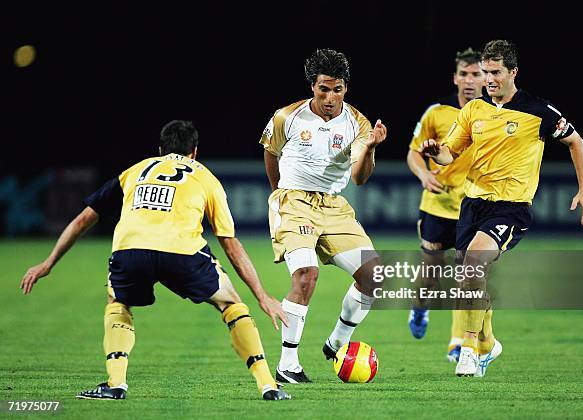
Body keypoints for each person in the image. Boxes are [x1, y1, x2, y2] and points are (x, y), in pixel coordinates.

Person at [20, 120, 291, 400]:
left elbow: (82, 220)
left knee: (118, 303)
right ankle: (268, 385)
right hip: (182, 253)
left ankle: (116, 383)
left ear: (160, 149)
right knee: (231, 305)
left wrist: (48, 262)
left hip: (130, 251)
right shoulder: (206, 177)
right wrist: (261, 295)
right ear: (194, 151)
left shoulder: (135, 171)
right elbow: (230, 243)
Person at [420, 40, 583, 377]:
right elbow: (449, 153)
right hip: (472, 205)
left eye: (496, 72)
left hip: (511, 206)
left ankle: (468, 349)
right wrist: (433, 151)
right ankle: (488, 344)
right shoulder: (473, 111)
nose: (489, 79)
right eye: (485, 72)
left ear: (513, 72)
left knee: (473, 263)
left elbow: (576, 141)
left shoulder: (538, 110)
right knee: (470, 279)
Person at [259, 48, 387, 383]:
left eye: (338, 90)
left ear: (346, 88)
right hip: (294, 202)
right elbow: (270, 155)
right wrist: (280, 193)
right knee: (305, 274)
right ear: (312, 88)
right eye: (323, 89)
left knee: (374, 276)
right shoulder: (287, 117)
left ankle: (338, 341)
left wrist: (370, 149)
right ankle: (288, 364)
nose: (331, 97)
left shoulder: (357, 123)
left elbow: (359, 177)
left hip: (334, 206)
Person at [406, 47, 485, 363]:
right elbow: (413, 153)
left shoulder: (493, 115)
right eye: (464, 74)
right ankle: (420, 308)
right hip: (438, 205)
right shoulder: (436, 113)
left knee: (468, 274)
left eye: (476, 74)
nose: (469, 80)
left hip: (475, 206)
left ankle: (458, 343)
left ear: (486, 79)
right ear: (455, 78)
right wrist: (424, 174)